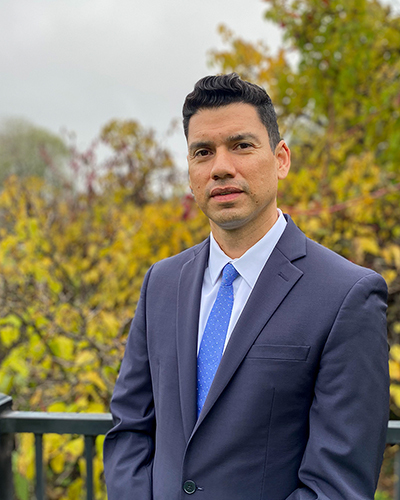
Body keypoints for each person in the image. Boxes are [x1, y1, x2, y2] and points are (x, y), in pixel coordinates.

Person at [103, 73, 389, 499]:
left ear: (281, 159)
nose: (221, 167)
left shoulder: (347, 296)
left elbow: (336, 485)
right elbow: (130, 428)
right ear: (190, 171)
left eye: (241, 145)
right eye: (203, 152)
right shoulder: (161, 283)